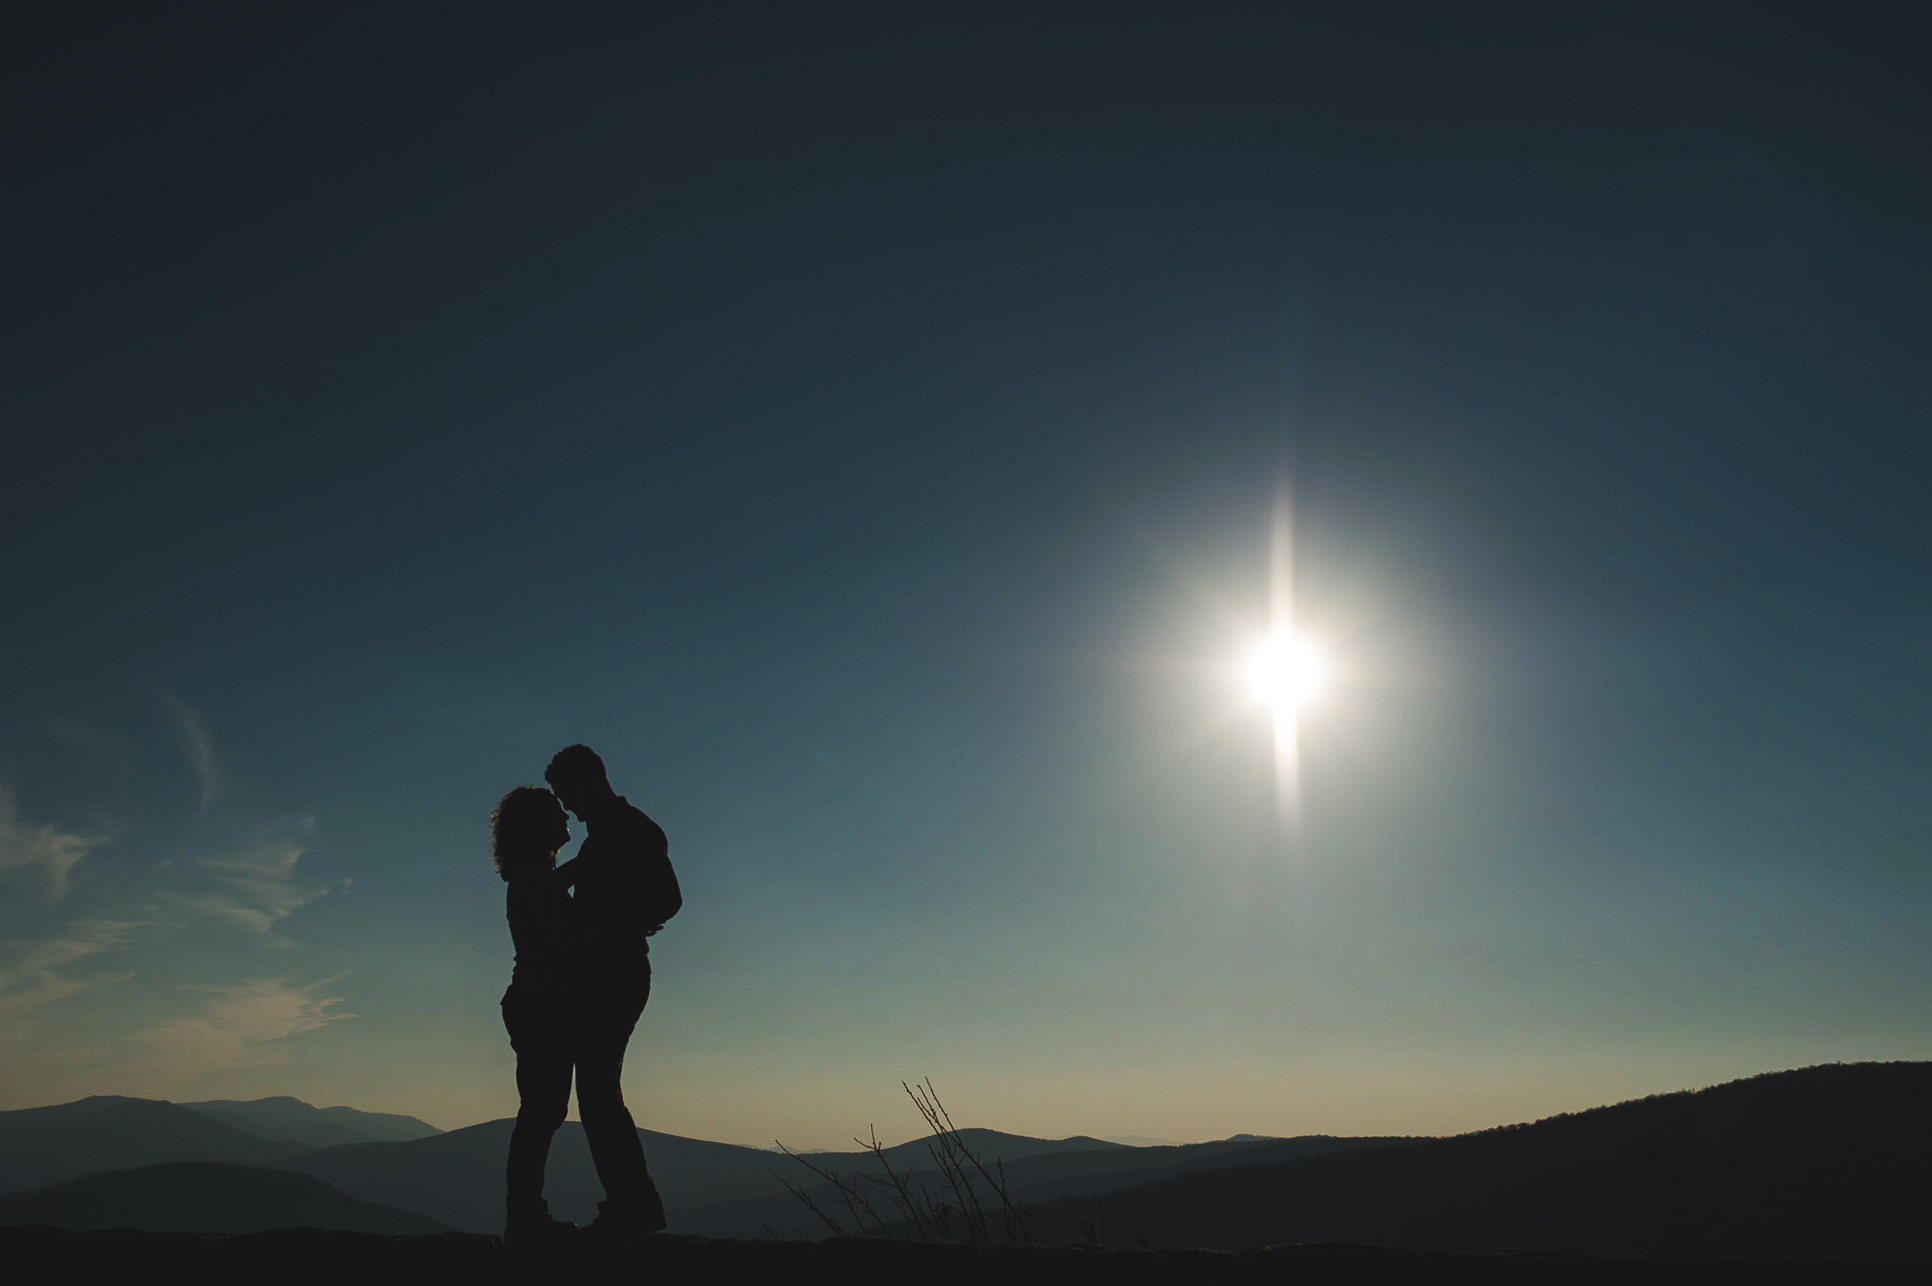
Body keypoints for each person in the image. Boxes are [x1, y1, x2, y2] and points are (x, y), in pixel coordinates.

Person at [542, 743, 681, 1238]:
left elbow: (668, 898)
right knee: (599, 1092)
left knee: (598, 1092)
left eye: (566, 794)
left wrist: (614, 927)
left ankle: (634, 1208)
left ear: (588, 782)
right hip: (605, 973)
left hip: (616, 974)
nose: (566, 807)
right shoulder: (604, 835)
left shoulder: (630, 829)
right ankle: (632, 1205)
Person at [491, 785, 585, 1245]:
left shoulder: (530, 877)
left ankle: (526, 1215)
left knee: (540, 1113)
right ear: (539, 827)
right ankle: (526, 1217)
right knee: (541, 1114)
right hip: (542, 1009)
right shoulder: (535, 880)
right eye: (556, 813)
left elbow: (554, 889)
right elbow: (566, 944)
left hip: (532, 1005)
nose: (567, 817)